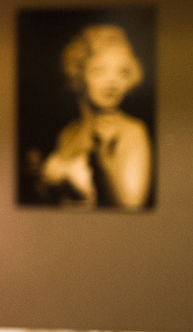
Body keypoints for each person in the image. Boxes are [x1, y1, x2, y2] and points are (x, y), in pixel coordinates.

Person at [37, 24, 152, 210]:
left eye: (122, 72)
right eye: (99, 70)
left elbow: (131, 208)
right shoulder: (68, 132)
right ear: (78, 74)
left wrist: (104, 166)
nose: (112, 81)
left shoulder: (132, 131)